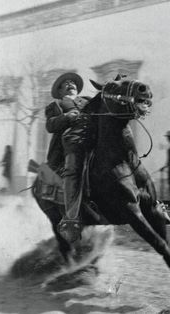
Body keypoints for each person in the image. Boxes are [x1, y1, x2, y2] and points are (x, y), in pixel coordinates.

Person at [45, 72, 93, 243]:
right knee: (73, 170)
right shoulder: (56, 104)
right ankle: (71, 220)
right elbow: (50, 125)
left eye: (72, 82)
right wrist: (66, 117)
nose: (70, 84)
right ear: (59, 90)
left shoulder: (87, 100)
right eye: (66, 83)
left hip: (93, 142)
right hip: (69, 146)